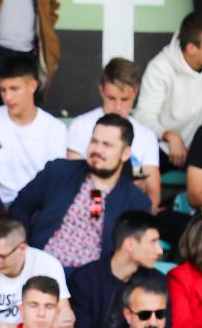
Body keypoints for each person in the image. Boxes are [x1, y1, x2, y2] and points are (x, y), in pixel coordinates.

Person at [12, 115, 140, 273]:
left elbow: (132, 253)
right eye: (94, 141)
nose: (97, 150)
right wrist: (19, 246)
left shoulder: (136, 201)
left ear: (125, 153)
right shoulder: (59, 171)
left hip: (90, 282)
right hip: (40, 267)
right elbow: (20, 206)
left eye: (107, 145)